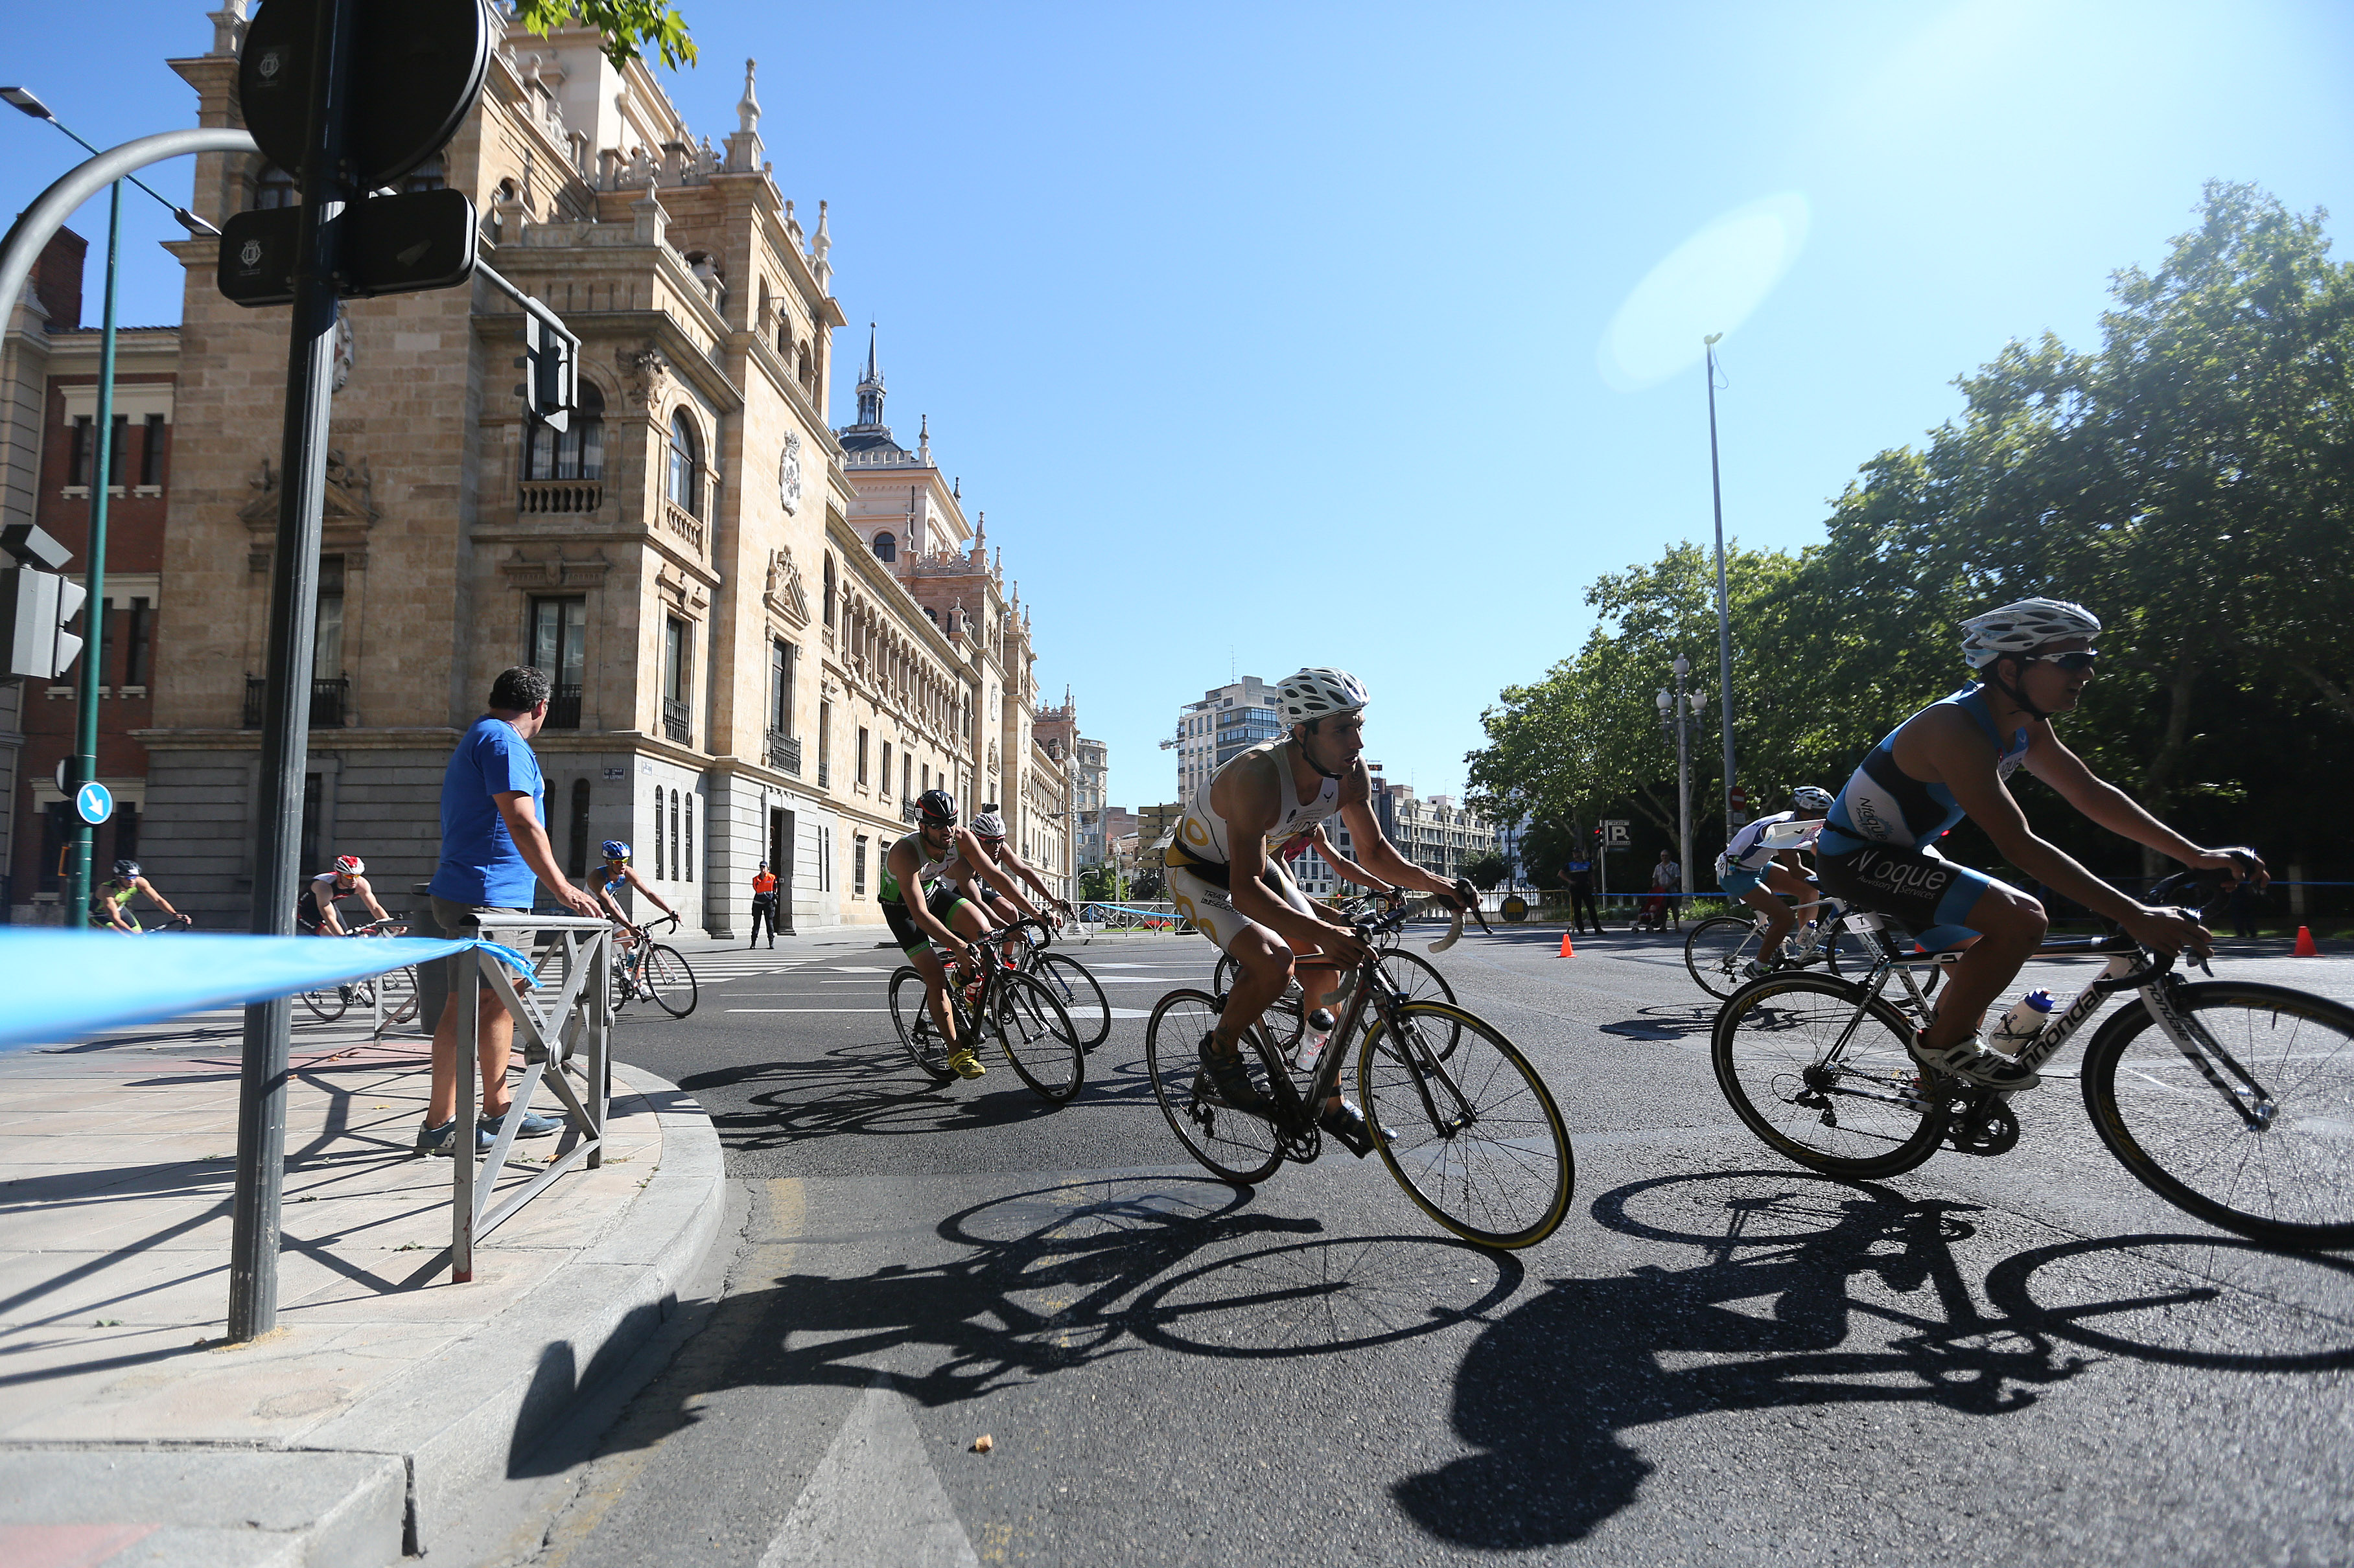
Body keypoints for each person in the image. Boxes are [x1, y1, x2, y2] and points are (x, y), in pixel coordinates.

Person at [1814, 597, 2259, 1089]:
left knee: (1978, 970)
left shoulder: (2024, 722)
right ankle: (1941, 1048)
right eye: (2072, 660)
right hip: (1854, 858)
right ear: (2010, 668)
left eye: (2091, 659)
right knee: (2022, 920)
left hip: (1906, 854)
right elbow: (2018, 844)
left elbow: (2089, 793)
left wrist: (2196, 856)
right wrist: (2134, 914)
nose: (2087, 672)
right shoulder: (1954, 728)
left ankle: (1935, 1085)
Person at [1163, 667, 1476, 1157]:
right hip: (1198, 872)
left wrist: (1441, 886)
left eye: (1358, 725)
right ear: (1302, 731)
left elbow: (1374, 853)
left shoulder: (1350, 773)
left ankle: (1327, 1098)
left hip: (1254, 866)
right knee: (1273, 961)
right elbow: (1244, 892)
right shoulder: (1257, 776)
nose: (1356, 740)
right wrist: (1325, 930)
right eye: (1342, 728)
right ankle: (1221, 1049)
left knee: (1328, 968)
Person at [421, 666, 603, 1155]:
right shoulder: (504, 743)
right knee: (468, 1007)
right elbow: (523, 821)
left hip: (488, 893)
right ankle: (440, 1124)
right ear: (541, 709)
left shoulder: (486, 735)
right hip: (485, 897)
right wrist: (562, 886)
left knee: (496, 1002)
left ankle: (499, 1109)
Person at [881, 789, 1033, 1080]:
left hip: (934, 893)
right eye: (938, 825)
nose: (947, 831)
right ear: (922, 826)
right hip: (903, 909)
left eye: (951, 822)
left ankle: (963, 981)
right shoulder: (905, 852)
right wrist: (958, 945)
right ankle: (956, 1053)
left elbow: (996, 876)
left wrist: (1032, 913)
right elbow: (919, 914)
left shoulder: (961, 838)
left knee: (985, 934)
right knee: (935, 976)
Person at [1715, 786, 1834, 974]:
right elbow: (1796, 871)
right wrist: (1832, 883)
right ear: (1803, 811)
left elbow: (1815, 847)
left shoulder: (1799, 820)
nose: (1821, 819)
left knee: (1809, 890)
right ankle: (1758, 967)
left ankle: (1804, 944)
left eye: (1824, 814)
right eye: (1817, 814)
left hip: (1758, 867)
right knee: (1785, 917)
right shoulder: (1783, 829)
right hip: (1736, 874)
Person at [957, 807, 1075, 932]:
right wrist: (1031, 914)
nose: (996, 847)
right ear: (975, 839)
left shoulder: (1001, 849)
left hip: (975, 890)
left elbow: (1024, 871)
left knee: (1011, 912)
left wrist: (1053, 900)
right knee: (984, 930)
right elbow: (996, 880)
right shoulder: (965, 855)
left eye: (1000, 840)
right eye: (989, 841)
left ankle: (1007, 953)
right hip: (954, 889)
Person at [592, 841, 680, 995]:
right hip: (592, 908)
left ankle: (638, 983)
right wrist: (630, 926)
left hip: (611, 903)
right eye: (618, 862)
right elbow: (609, 908)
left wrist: (669, 911)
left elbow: (648, 893)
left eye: (625, 861)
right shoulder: (597, 877)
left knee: (631, 945)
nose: (623, 866)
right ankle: (609, 962)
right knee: (601, 945)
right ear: (608, 862)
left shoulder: (627, 873)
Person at [298, 855, 390, 936]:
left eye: (357, 876)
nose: (354, 880)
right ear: (339, 875)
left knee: (347, 936)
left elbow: (374, 907)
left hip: (328, 904)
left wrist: (392, 926)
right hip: (304, 911)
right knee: (333, 938)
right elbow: (330, 917)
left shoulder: (361, 884)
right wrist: (342, 939)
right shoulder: (324, 886)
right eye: (349, 876)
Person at [89, 859, 187, 932]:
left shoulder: (140, 882)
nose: (132, 881)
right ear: (118, 877)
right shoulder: (107, 891)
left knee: (139, 934)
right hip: (99, 915)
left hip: (119, 910)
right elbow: (116, 919)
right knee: (122, 936)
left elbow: (158, 900)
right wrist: (132, 935)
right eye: (127, 878)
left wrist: (175, 914)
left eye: (134, 877)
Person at [1562, 854, 1600, 935]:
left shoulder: (1587, 864)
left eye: (1576, 853)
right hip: (1575, 889)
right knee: (1577, 909)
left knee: (1591, 908)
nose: (1575, 855)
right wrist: (1570, 881)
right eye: (1574, 853)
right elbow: (1561, 873)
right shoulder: (1570, 865)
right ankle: (1581, 929)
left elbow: (1592, 876)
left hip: (1586, 888)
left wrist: (1594, 888)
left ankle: (1597, 929)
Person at [749, 860, 780, 947]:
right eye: (761, 867)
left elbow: (775, 889)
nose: (762, 869)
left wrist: (774, 898)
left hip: (769, 903)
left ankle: (771, 942)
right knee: (756, 924)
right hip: (758, 902)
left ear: (767, 868)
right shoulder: (756, 879)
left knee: (769, 923)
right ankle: (753, 943)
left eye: (764, 867)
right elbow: (756, 888)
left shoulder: (772, 878)